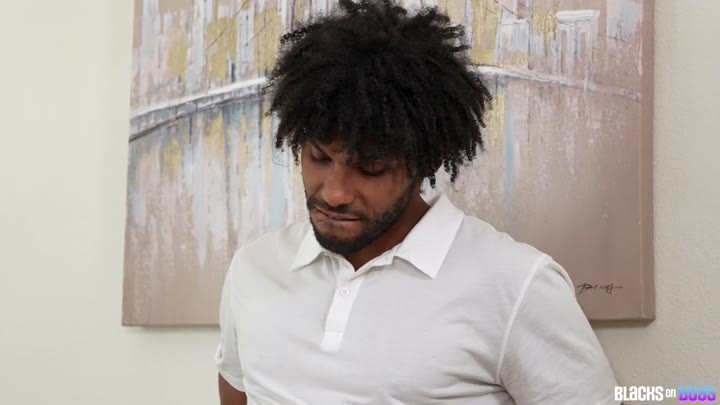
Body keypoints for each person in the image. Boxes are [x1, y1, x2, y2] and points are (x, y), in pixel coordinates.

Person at [216, 0, 619, 403]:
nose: (335, 193)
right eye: (319, 158)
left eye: (371, 168)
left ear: (429, 159)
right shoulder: (253, 269)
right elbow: (237, 389)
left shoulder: (517, 286)